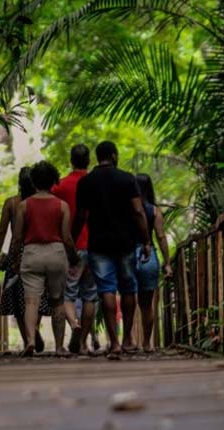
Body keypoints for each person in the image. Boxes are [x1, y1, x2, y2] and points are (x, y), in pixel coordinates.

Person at [72, 141, 151, 358]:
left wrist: (71, 241)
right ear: (114, 156)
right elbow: (137, 211)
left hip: (98, 244)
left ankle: (114, 343)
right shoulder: (127, 179)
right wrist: (146, 241)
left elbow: (80, 216)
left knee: (106, 289)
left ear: (97, 158)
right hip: (125, 243)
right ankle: (127, 339)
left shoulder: (87, 182)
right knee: (128, 288)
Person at [12, 160, 79, 357]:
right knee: (57, 301)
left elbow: (17, 237)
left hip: (32, 253)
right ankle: (59, 347)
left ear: (33, 181)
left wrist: (16, 259)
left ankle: (31, 341)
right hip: (56, 254)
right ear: (54, 181)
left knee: (31, 301)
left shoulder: (24, 206)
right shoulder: (62, 206)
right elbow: (67, 237)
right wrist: (74, 258)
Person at [0, 167, 50, 352]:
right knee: (38, 293)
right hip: (37, 250)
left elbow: (2, 230)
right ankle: (33, 327)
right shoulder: (40, 202)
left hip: (16, 253)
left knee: (17, 298)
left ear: (19, 182)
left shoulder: (11, 203)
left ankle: (28, 339)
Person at [51, 144, 98, 354]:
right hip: (96, 246)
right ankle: (82, 343)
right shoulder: (96, 185)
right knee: (90, 296)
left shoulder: (59, 187)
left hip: (72, 246)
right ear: (88, 161)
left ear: (71, 159)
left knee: (68, 295)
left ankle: (74, 325)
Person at [132, 174, 172, 352]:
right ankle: (147, 343)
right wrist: (167, 262)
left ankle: (127, 341)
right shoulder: (154, 211)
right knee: (146, 305)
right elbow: (161, 237)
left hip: (128, 256)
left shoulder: (127, 209)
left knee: (127, 300)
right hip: (149, 257)